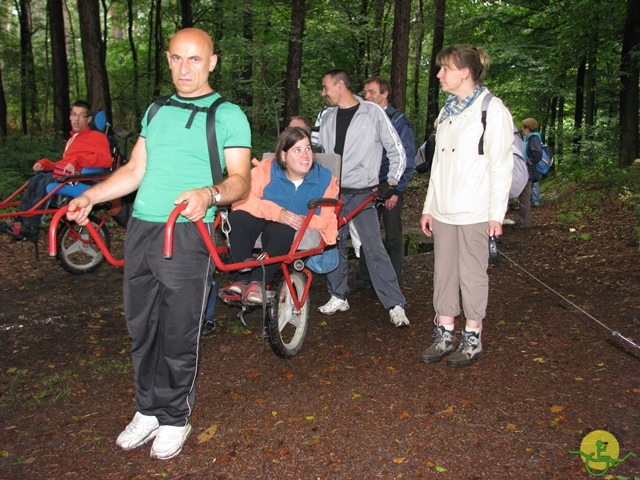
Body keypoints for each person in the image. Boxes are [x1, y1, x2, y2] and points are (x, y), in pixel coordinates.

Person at [66, 28, 252, 460]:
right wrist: (91, 196)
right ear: (168, 60)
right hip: (143, 230)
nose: (184, 69)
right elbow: (134, 170)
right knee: (141, 325)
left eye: (194, 59)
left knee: (178, 328)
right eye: (176, 59)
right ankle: (148, 409)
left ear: (212, 62)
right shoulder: (157, 109)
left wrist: (208, 194)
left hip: (186, 232)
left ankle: (173, 417)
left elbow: (240, 181)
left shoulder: (227, 115)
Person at [420, 45, 513, 367]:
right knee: (443, 274)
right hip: (444, 209)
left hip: (474, 210)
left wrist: (496, 215)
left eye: (445, 68)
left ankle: (472, 337)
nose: (439, 75)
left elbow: (500, 166)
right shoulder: (447, 111)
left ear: (465, 72)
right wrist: (429, 206)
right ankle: (445, 333)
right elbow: (438, 167)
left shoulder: (492, 109)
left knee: (472, 275)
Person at [316, 69, 410, 327]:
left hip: (362, 194)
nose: (323, 93)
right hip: (331, 192)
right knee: (331, 244)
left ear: (341, 85)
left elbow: (396, 149)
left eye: (326, 87)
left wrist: (391, 182)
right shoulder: (325, 116)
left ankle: (395, 303)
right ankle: (338, 295)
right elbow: (314, 151)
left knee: (373, 247)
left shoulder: (372, 112)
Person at [219, 127, 339, 303]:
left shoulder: (325, 179)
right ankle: (240, 279)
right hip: (263, 216)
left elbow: (329, 221)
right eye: (297, 150)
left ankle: (257, 281)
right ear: (283, 156)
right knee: (238, 218)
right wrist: (277, 212)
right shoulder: (267, 169)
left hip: (289, 226)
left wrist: (306, 220)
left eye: (307, 149)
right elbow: (241, 201)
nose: (305, 155)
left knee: (283, 230)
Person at [0, 101, 112, 241]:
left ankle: (30, 226)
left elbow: (106, 160)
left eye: (81, 115)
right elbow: (62, 165)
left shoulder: (97, 137)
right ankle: (20, 221)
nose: (76, 119)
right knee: (36, 179)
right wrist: (45, 164)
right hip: (66, 176)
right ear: (70, 117)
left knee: (46, 182)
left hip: (81, 179)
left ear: (89, 119)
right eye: (74, 114)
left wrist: (78, 161)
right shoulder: (72, 140)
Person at [350, 76, 416, 290]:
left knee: (392, 234)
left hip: (390, 186)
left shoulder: (398, 121)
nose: (366, 96)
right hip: (368, 186)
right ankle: (365, 278)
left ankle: (392, 281)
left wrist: (396, 189)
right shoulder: (364, 119)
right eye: (365, 92)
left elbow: (406, 157)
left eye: (371, 92)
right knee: (367, 233)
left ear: (384, 94)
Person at [516, 118, 543, 227]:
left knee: (524, 196)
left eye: (524, 127)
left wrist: (529, 163)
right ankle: (523, 221)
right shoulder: (531, 138)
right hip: (528, 171)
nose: (522, 129)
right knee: (524, 196)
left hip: (529, 172)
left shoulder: (533, 138)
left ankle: (524, 222)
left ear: (528, 128)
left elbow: (537, 153)